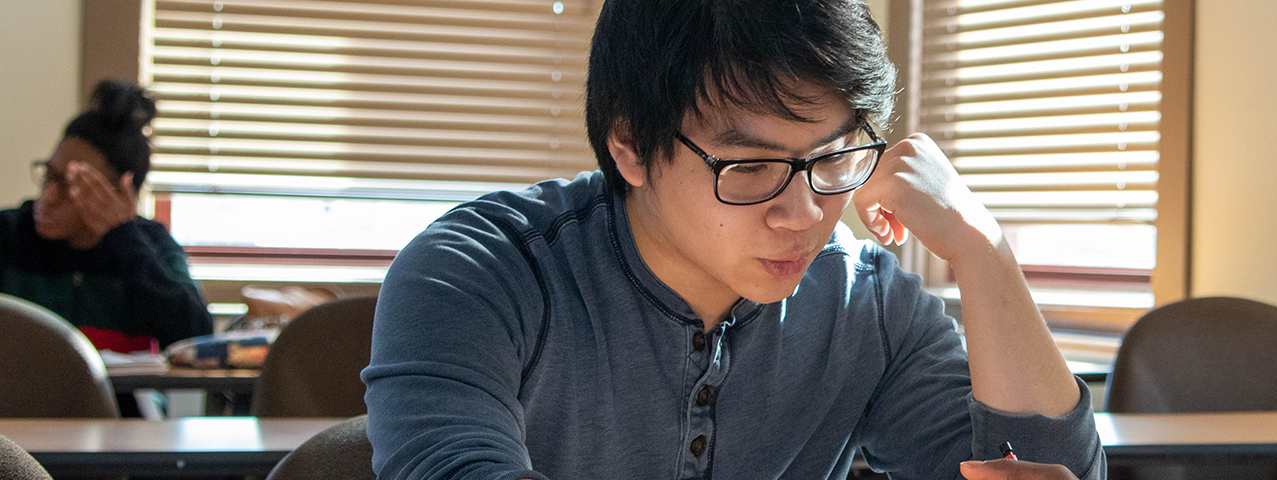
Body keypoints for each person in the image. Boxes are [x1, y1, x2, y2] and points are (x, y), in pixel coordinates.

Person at [360, 1, 1105, 479]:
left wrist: (983, 250)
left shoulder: (867, 304)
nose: (803, 212)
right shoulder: (480, 273)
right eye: (749, 166)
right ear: (629, 145)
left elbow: (1046, 475)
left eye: (833, 159)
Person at [0, 80, 212, 353]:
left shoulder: (150, 246)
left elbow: (196, 337)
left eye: (70, 184)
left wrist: (125, 240)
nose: (48, 197)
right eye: (49, 175)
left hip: (119, 396)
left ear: (120, 194)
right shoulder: (8, 233)